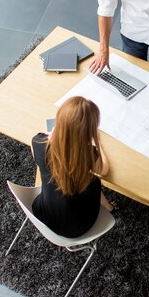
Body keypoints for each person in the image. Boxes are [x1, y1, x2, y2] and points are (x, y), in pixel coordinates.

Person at [31, 96, 113, 239]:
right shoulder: (87, 155)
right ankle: (108, 207)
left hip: (43, 212)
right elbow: (104, 169)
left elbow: (40, 157)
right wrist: (96, 143)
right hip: (76, 225)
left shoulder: (37, 141)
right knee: (93, 180)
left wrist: (56, 134)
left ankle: (108, 206)